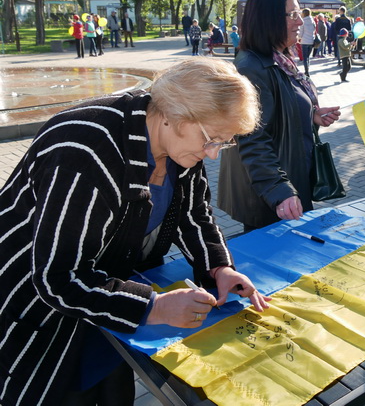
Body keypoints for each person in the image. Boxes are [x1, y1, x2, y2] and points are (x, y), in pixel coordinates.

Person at [0, 58, 271, 405]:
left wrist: (219, 267)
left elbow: (194, 213)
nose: (213, 155)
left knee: (113, 389)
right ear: (174, 113)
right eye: (211, 139)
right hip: (41, 311)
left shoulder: (178, 144)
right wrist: (154, 307)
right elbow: (59, 277)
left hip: (107, 300)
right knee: (58, 392)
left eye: (224, 142)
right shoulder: (87, 151)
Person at [217, 0, 340, 232]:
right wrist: (278, 190)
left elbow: (279, 109)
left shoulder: (278, 59)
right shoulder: (251, 67)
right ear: (269, 19)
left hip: (286, 184)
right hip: (269, 196)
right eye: (292, 15)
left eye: (299, 14)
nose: (300, 22)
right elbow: (251, 140)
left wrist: (310, 115)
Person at [299, 8, 315, 76]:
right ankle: (307, 69)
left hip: (304, 41)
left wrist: (299, 38)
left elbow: (301, 33)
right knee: (308, 57)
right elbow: (314, 31)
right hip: (311, 41)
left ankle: (306, 71)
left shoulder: (303, 21)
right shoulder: (312, 21)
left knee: (305, 58)